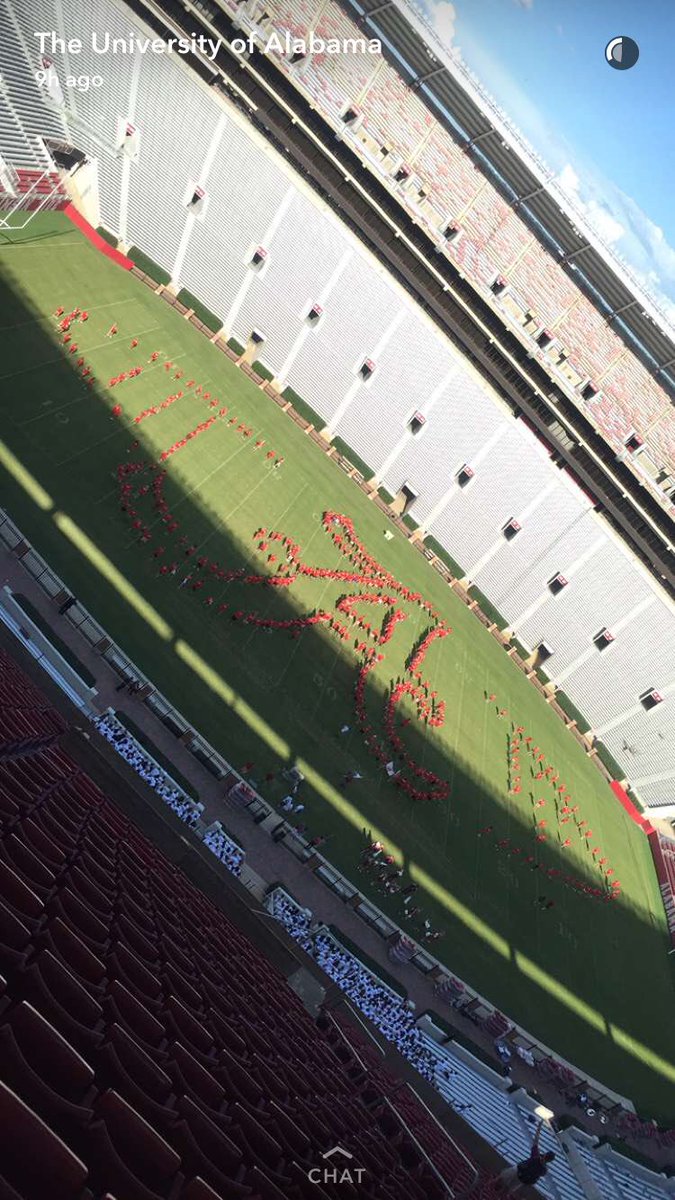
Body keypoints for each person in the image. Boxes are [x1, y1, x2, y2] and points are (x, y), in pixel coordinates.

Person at [495, 1123, 555, 1195]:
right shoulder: (544, 1170)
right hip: (522, 1180)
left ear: (545, 1155)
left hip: (517, 1170)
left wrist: (539, 1127)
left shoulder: (536, 1157)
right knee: (507, 1191)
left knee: (501, 1179)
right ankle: (498, 1196)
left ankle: (489, 1186)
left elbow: (535, 1141)